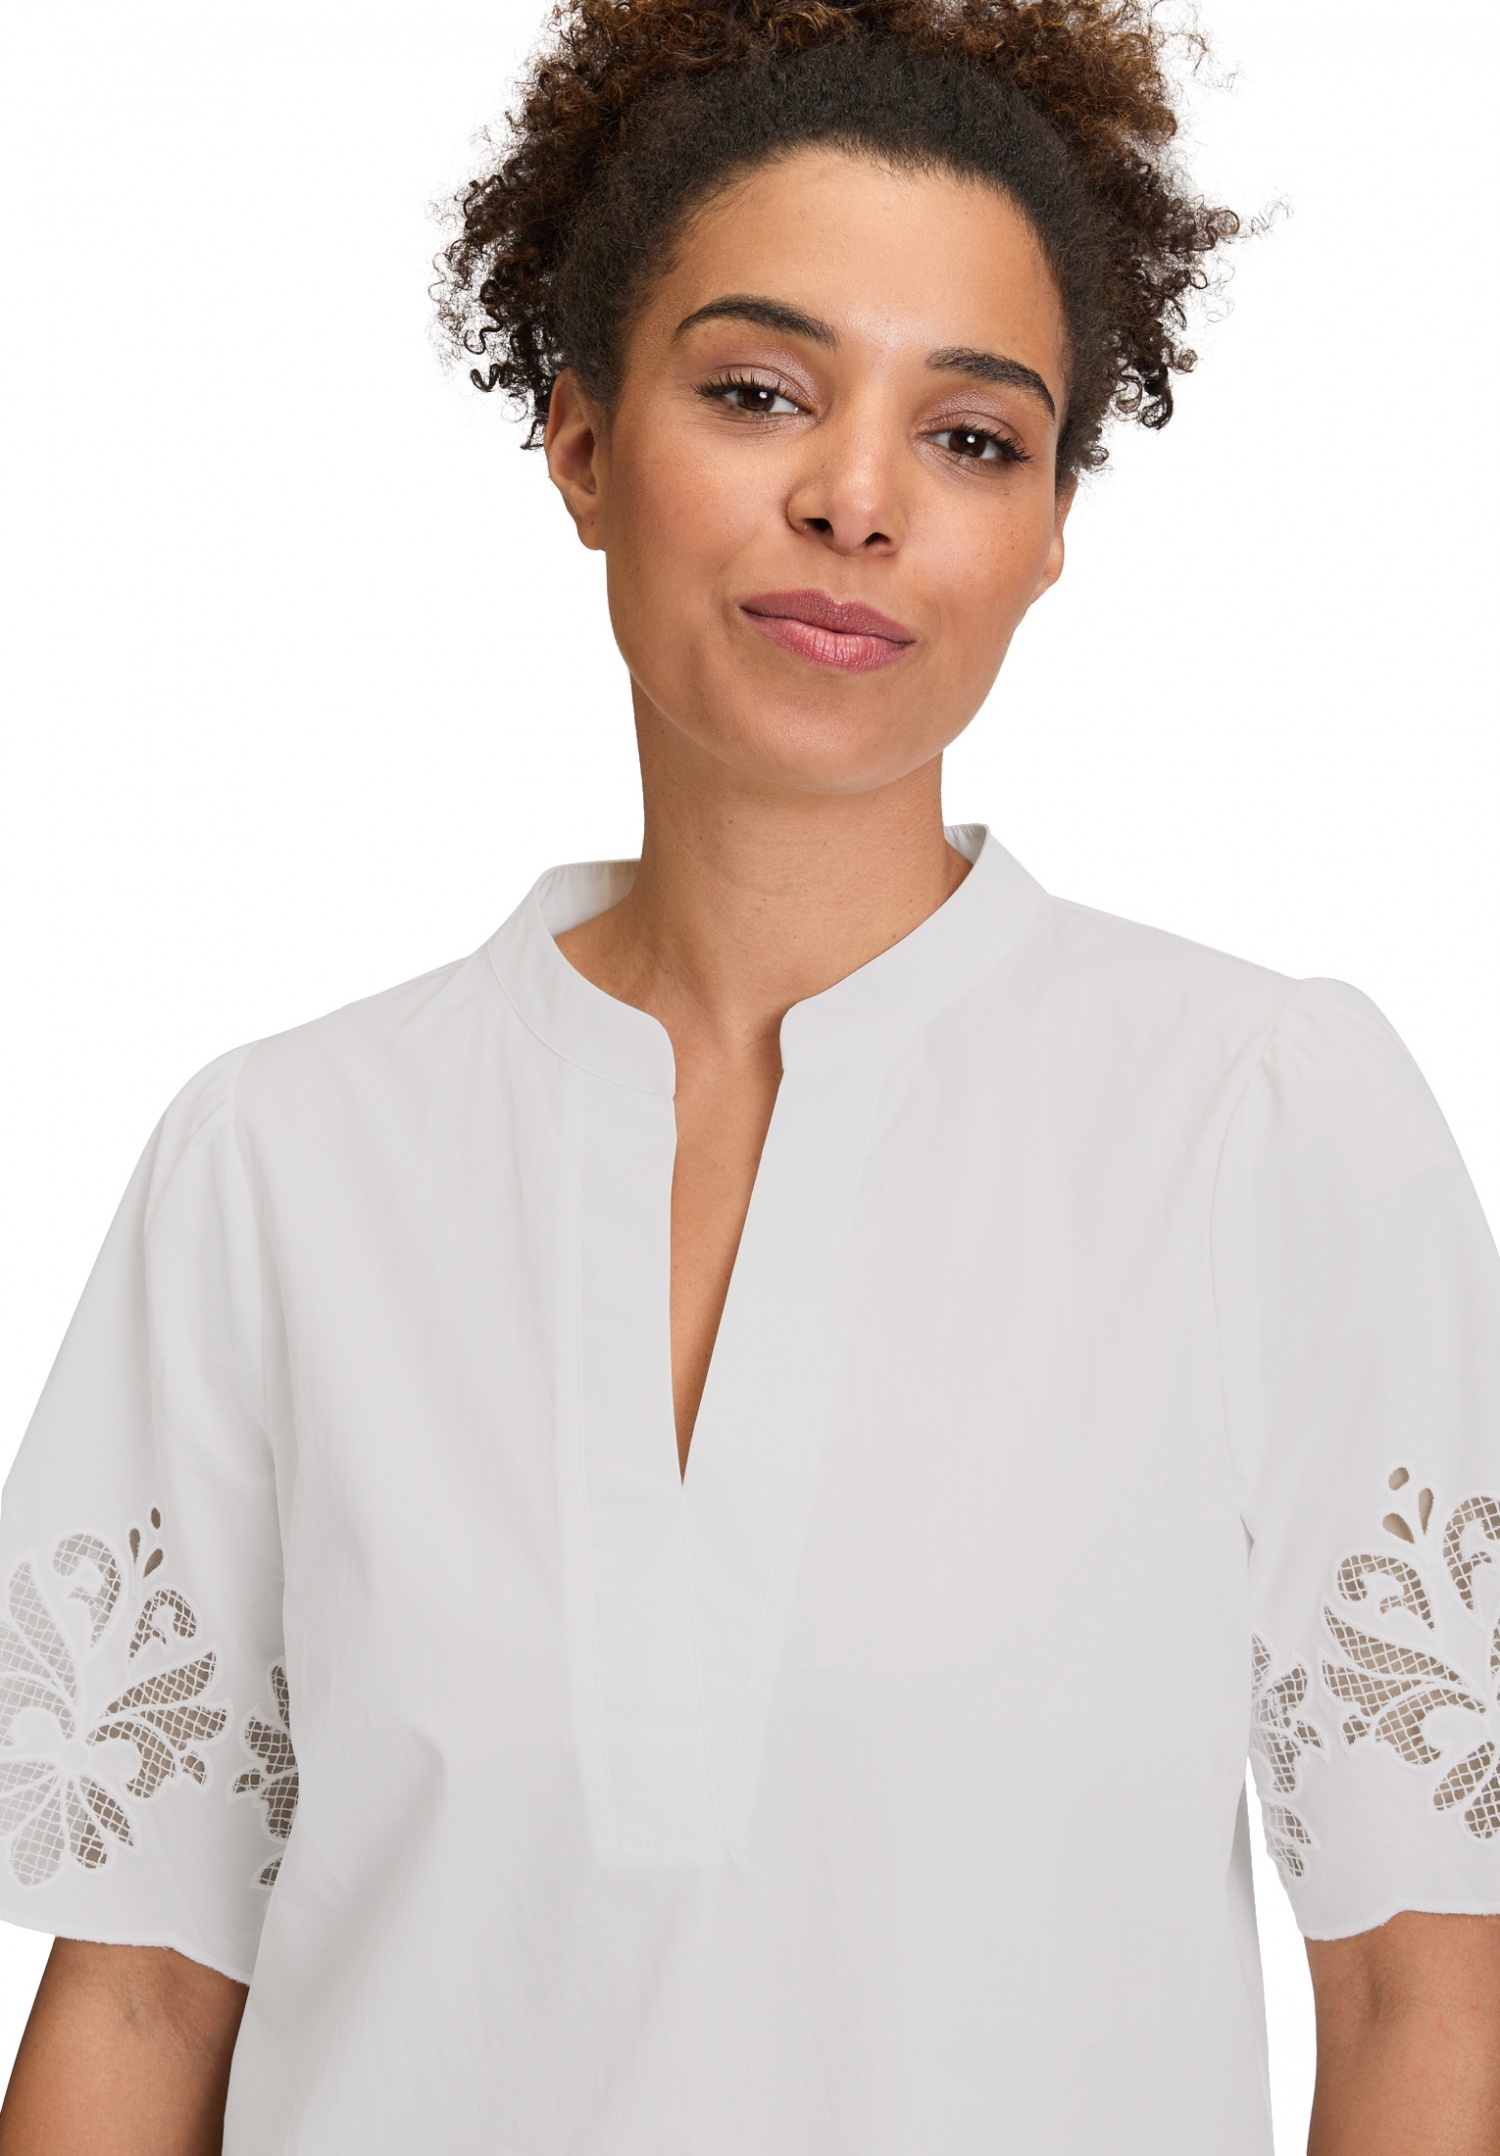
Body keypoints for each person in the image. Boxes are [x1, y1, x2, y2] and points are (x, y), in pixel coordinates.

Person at [0, 0, 1497, 2148]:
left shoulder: (1260, 1121)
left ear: (1051, 528)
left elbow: (1426, 1996)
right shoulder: (282, 1163)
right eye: (759, 392)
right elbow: (143, 2003)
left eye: (971, 436)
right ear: (582, 444)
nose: (855, 501)